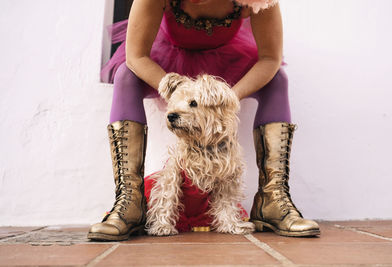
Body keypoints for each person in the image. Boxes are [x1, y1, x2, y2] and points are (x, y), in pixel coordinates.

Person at [87, 0, 320, 241]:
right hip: (169, 65)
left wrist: (230, 97)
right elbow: (135, 56)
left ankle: (272, 199)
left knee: (277, 79)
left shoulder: (258, 1)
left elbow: (270, 58)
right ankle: (130, 201)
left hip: (226, 65)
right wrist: (175, 88)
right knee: (126, 75)